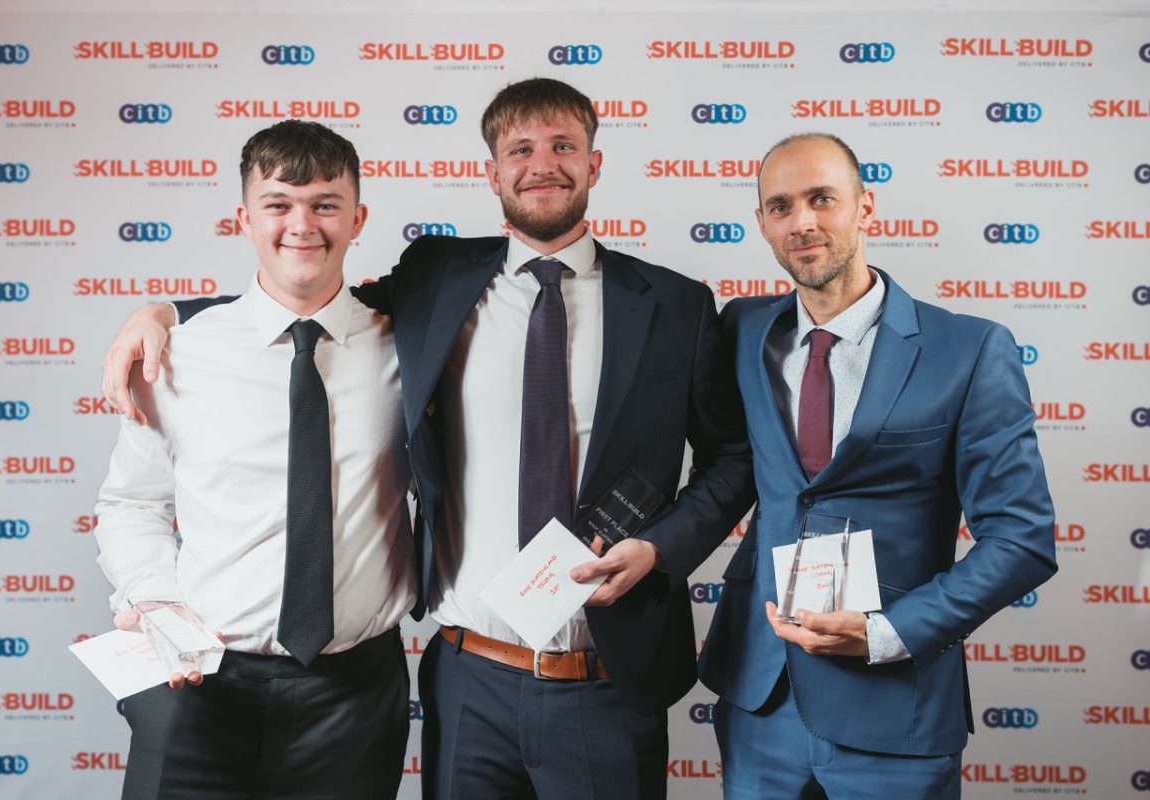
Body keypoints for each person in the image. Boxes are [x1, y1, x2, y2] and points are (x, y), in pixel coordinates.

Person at [100, 77, 756, 799]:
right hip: (455, 680)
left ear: (593, 164)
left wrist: (664, 549)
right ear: (493, 172)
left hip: (589, 676)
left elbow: (733, 455)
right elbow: (296, 297)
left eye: (563, 146)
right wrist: (162, 311)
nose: (543, 164)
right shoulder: (436, 281)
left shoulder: (675, 305)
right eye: (520, 149)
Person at [691, 133, 1058, 798]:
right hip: (760, 701)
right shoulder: (741, 331)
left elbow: (1021, 539)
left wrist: (887, 633)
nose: (801, 221)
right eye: (780, 206)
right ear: (763, 225)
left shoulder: (969, 350)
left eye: (821, 199)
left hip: (895, 706)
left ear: (865, 207)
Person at [93, 120, 414, 799]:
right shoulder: (177, 351)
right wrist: (157, 603)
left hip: (353, 698)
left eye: (325, 204)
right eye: (279, 204)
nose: (302, 225)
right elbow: (131, 505)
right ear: (244, 218)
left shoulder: (410, 349)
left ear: (357, 219)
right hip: (198, 687)